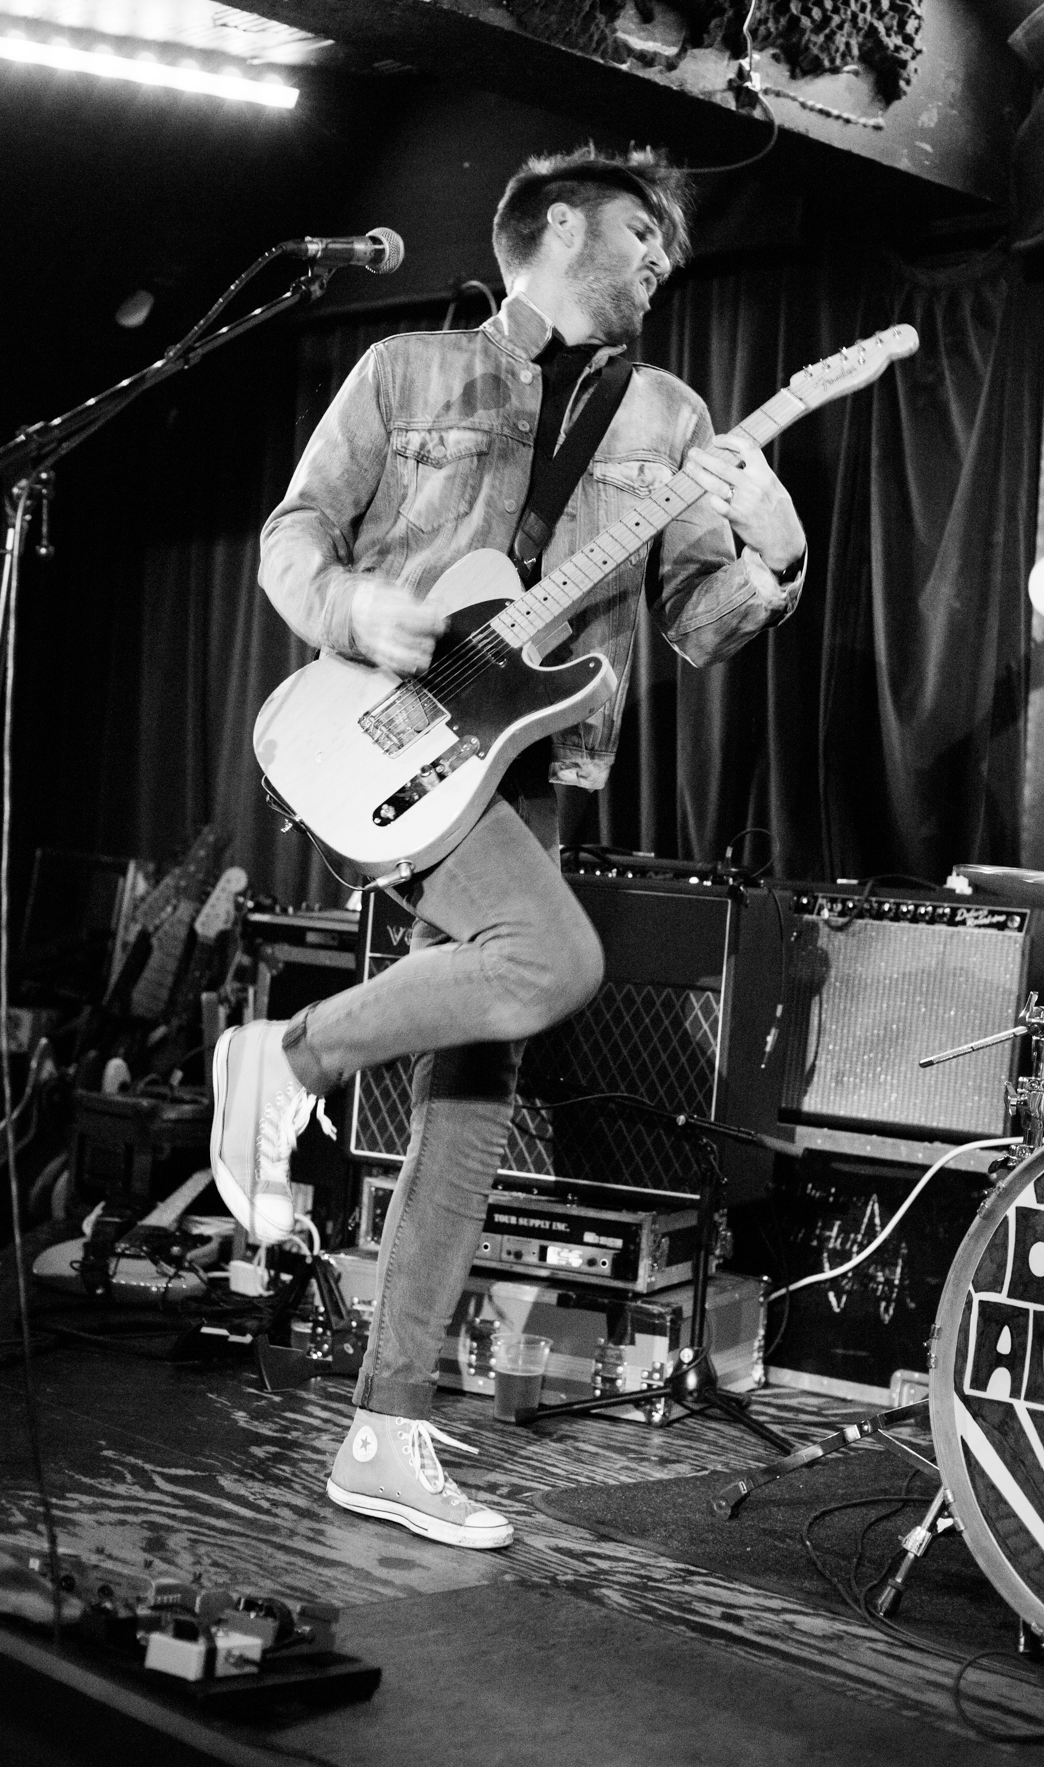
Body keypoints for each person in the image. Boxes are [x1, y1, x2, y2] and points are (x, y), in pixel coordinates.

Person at [210, 145, 806, 1550]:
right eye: (643, 228)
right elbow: (291, 538)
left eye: (673, 243)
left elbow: (696, 626)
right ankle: (281, 1060)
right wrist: (364, 612)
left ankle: (384, 1431)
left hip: (529, 771)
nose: (664, 256)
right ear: (556, 223)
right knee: (550, 959)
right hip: (391, 738)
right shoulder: (408, 374)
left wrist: (768, 552)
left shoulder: (670, 413)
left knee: (469, 1110)